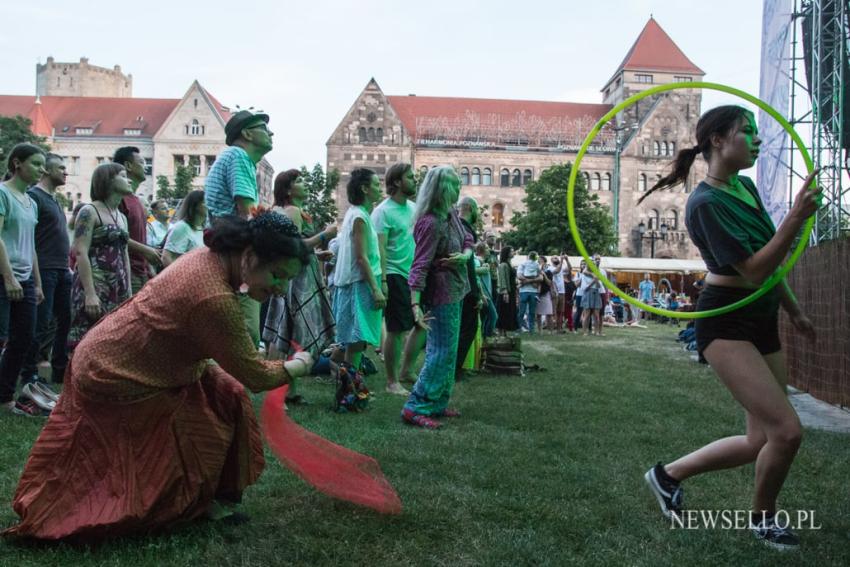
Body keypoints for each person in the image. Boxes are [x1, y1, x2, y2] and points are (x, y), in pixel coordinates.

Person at [3, 212, 313, 541]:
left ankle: (216, 499)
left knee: (229, 396)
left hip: (117, 357)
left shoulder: (209, 259)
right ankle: (181, 501)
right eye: (277, 275)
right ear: (249, 256)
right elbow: (254, 374)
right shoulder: (214, 297)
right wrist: (299, 364)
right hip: (116, 373)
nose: (280, 289)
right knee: (194, 438)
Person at [640, 105, 820, 550]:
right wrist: (795, 218)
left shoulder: (745, 188)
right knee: (787, 431)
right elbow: (754, 269)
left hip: (761, 314)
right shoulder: (704, 204)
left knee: (759, 437)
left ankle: (666, 475)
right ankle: (763, 520)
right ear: (718, 140)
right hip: (726, 320)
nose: (757, 140)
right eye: (748, 132)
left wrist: (793, 311)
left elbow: (770, 265)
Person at [402, 166, 472, 429]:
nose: (459, 190)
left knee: (449, 352)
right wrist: (415, 304)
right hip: (440, 294)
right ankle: (415, 406)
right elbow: (419, 266)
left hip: (456, 290)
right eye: (454, 185)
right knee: (439, 352)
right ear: (442, 188)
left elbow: (467, 239)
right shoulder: (430, 223)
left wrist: (464, 256)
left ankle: (438, 402)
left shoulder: (451, 215)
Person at [262, 169, 336, 403]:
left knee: (285, 334)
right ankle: (280, 392)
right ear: (287, 189)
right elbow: (294, 247)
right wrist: (325, 235)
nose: (305, 184)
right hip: (297, 280)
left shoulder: (285, 211)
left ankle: (287, 391)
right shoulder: (292, 211)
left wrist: (316, 253)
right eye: (299, 181)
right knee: (289, 334)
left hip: (293, 276)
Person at [204, 110, 274, 347]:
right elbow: (247, 211)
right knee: (247, 333)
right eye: (264, 128)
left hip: (224, 248)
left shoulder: (232, 157)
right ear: (247, 133)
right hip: (236, 253)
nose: (270, 133)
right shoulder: (239, 156)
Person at [0, 144, 46, 417]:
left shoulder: (31, 201)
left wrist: (36, 282)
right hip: (4, 276)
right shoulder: (3, 193)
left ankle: (5, 398)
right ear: (17, 163)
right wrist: (9, 278)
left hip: (26, 279)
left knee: (24, 337)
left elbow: (31, 246)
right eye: (36, 164)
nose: (42, 169)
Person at [20, 154, 71, 400]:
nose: (66, 171)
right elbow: (29, 238)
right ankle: (29, 373)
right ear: (47, 170)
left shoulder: (55, 199)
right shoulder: (34, 197)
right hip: (44, 269)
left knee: (66, 320)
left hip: (62, 270)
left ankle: (59, 371)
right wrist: (36, 276)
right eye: (61, 167)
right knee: (40, 324)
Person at [67, 164, 133, 349]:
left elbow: (124, 253)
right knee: (86, 336)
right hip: (94, 284)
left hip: (117, 285)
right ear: (108, 180)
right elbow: (80, 251)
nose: (129, 180)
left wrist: (127, 289)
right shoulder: (89, 211)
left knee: (111, 338)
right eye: (123, 175)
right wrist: (90, 294)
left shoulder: (121, 216)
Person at [332, 168, 385, 378]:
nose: (379, 187)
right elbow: (361, 258)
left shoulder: (359, 214)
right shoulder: (359, 217)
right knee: (355, 340)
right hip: (359, 284)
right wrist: (376, 289)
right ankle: (349, 392)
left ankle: (347, 382)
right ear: (364, 188)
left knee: (357, 340)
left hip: (359, 282)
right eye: (375, 184)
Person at [371, 163, 417, 395]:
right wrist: (384, 282)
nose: (415, 179)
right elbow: (380, 249)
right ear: (397, 182)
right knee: (396, 330)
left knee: (418, 325)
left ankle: (405, 371)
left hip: (413, 275)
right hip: (394, 273)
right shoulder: (383, 212)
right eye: (410, 176)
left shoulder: (414, 209)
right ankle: (392, 382)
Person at [113, 147, 162, 294]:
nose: (146, 166)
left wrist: (149, 268)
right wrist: (146, 250)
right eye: (142, 162)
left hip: (142, 272)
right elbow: (116, 235)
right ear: (128, 166)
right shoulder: (119, 199)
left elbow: (139, 237)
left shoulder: (138, 201)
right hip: (126, 272)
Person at [455, 196, 482, 378]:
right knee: (467, 329)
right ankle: (456, 369)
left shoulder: (455, 227)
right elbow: (468, 265)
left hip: (457, 287)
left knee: (460, 329)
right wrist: (476, 292)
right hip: (465, 288)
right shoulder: (466, 231)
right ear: (471, 209)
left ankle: (457, 368)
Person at [162, 190, 207, 267]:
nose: (210, 205)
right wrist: (178, 278)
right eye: (206, 202)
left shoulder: (203, 228)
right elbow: (166, 257)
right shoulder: (182, 227)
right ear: (195, 205)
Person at [475, 241, 498, 338]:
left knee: (483, 319)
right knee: (493, 316)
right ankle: (488, 337)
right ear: (482, 250)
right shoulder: (477, 260)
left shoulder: (483, 261)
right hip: (484, 295)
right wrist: (485, 269)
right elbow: (473, 272)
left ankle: (483, 339)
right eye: (487, 248)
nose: (489, 250)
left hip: (486, 294)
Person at [496, 246, 518, 336]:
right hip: (506, 292)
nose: (513, 252)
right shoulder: (503, 265)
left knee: (509, 311)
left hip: (511, 291)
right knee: (504, 311)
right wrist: (505, 291)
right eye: (511, 251)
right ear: (507, 253)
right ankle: (501, 332)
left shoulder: (510, 264)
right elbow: (502, 279)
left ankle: (504, 332)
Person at [517, 251, 541, 333]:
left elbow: (541, 277)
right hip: (528, 291)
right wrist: (533, 280)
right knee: (525, 311)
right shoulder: (534, 265)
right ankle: (526, 329)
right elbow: (519, 276)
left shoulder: (524, 264)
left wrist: (527, 281)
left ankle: (528, 329)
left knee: (528, 312)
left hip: (527, 290)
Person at [580, 257, 603, 336]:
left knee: (596, 315)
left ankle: (596, 332)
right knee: (587, 314)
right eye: (591, 264)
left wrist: (596, 281)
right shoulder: (584, 273)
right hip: (587, 294)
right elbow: (586, 288)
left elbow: (599, 286)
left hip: (596, 293)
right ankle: (584, 332)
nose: (592, 265)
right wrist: (594, 280)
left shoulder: (596, 272)